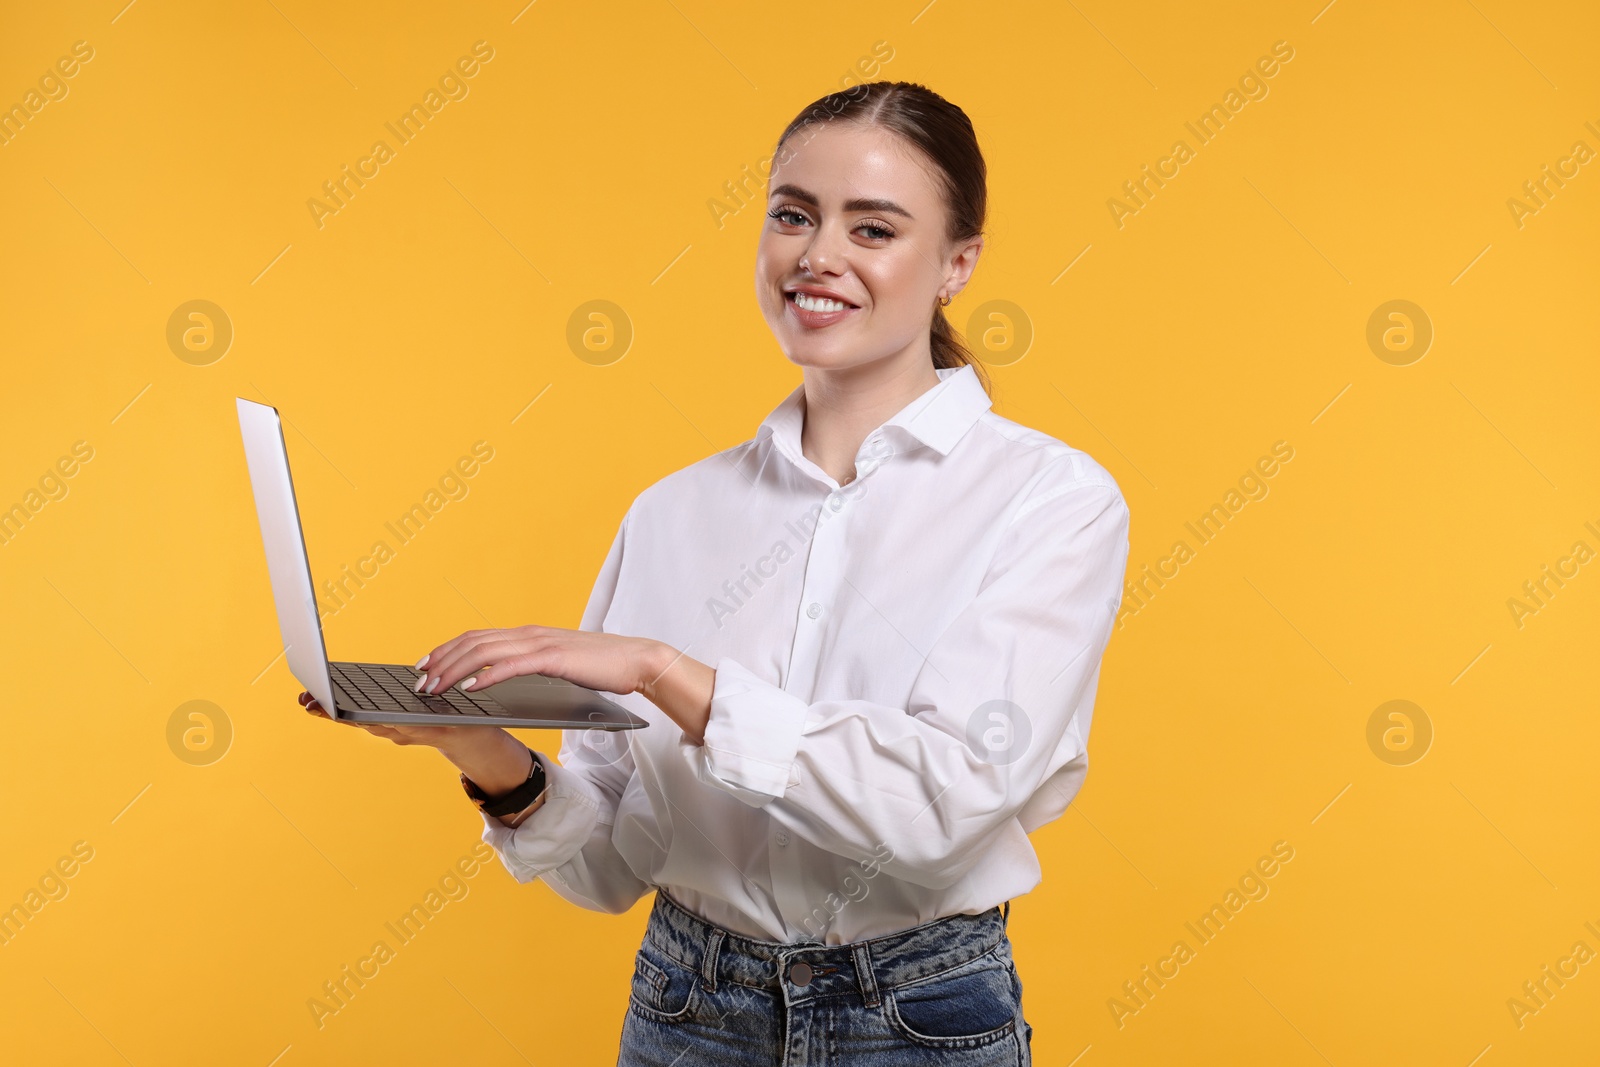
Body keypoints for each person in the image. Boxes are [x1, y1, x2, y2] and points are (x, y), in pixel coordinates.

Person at [301, 80, 1130, 1065]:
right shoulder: (672, 514)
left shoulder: (1049, 499)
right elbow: (608, 865)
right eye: (793, 215)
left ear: (957, 263)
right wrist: (482, 751)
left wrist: (667, 673)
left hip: (916, 1017)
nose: (816, 254)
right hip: (688, 1007)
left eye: (872, 229)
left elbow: (936, 803)